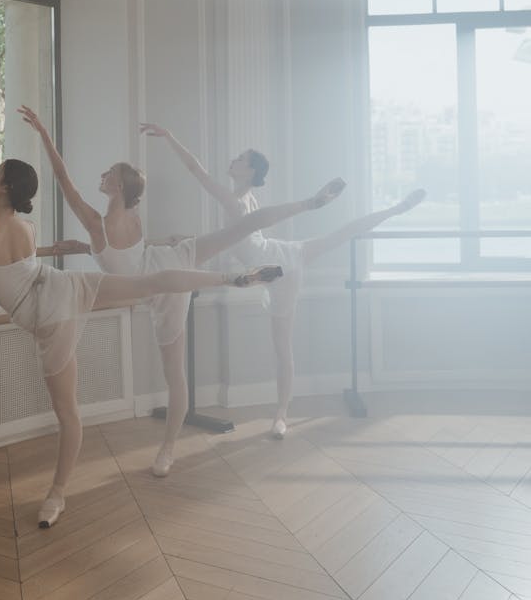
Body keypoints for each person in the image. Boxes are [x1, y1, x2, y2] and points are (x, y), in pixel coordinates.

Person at [0, 127, 283, 527]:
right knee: (147, 284)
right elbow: (16, 265)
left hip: (50, 320)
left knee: (68, 414)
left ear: (5, 188)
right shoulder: (26, 229)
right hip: (68, 289)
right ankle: (232, 278)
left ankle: (57, 498)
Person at [18, 107, 345, 476]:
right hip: (173, 263)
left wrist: (44, 133)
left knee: (174, 373)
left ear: (119, 185)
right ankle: (307, 206)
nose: (102, 175)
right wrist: (84, 247)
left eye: (108, 173)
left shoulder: (96, 223)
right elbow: (128, 255)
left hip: (162, 284)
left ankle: (169, 450)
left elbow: (63, 180)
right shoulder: (132, 219)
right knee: (240, 230)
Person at [140, 123, 426, 439]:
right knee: (337, 241)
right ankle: (281, 415)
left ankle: (281, 416)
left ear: (249, 171)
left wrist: (170, 137)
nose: (233, 160)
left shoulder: (237, 200)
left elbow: (196, 170)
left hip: (282, 264)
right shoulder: (240, 199)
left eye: (240, 158)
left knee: (285, 343)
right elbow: (235, 241)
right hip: (280, 263)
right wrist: (186, 239)